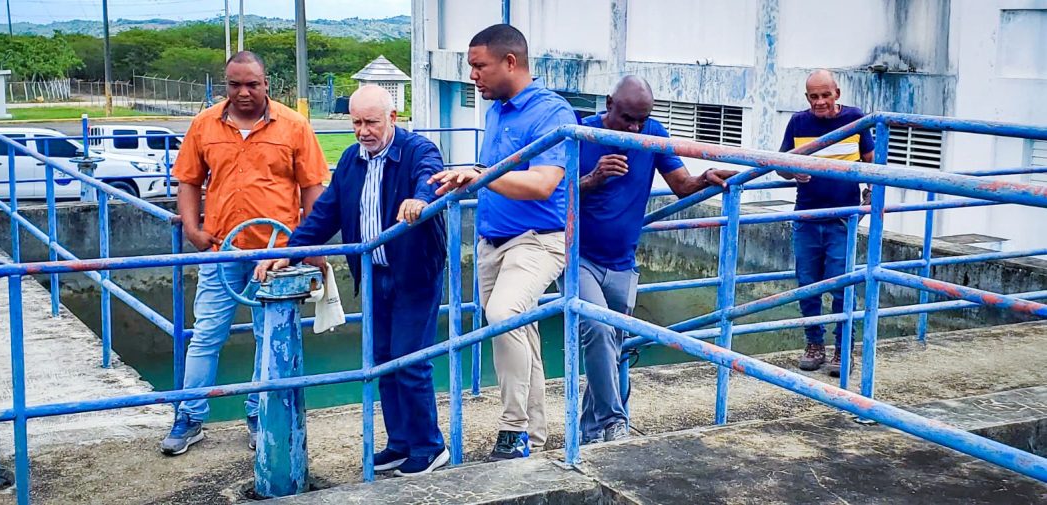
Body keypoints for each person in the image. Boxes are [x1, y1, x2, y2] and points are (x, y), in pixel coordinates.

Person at [254, 85, 450, 476]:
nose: (363, 131)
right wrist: (286, 251)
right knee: (381, 360)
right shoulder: (350, 160)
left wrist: (419, 199)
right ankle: (400, 443)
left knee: (410, 360)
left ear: (393, 119)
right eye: (356, 122)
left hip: (415, 275)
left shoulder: (417, 150)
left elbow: (429, 177)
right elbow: (325, 214)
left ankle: (429, 446)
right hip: (374, 275)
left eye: (371, 122)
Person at [160, 51, 329, 455]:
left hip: (275, 253)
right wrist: (192, 228)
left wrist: (307, 245)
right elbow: (187, 180)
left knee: (266, 336)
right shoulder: (205, 125)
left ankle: (258, 413)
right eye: (235, 85)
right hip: (221, 250)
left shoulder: (293, 126)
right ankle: (189, 416)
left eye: (252, 84)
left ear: (266, 83)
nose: (244, 92)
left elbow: (313, 188)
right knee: (205, 335)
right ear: (225, 85)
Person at [429, 24, 577, 461]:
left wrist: (483, 176)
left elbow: (543, 183)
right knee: (518, 331)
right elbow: (495, 173)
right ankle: (533, 436)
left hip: (538, 240)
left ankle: (513, 427)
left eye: (479, 66)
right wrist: (470, 174)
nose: (472, 75)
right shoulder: (496, 109)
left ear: (510, 62)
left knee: (503, 315)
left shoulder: (553, 112)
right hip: (494, 241)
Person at [576, 76, 737, 444]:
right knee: (598, 331)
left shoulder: (652, 131)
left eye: (641, 120)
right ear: (608, 103)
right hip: (578, 257)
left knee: (612, 347)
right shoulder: (580, 134)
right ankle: (616, 422)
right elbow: (552, 193)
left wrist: (705, 178)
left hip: (622, 261)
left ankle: (589, 433)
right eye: (628, 118)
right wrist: (593, 178)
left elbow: (680, 183)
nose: (634, 128)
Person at [777, 69, 874, 376]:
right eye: (813, 96)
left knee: (842, 285)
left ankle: (842, 349)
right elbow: (781, 166)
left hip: (843, 219)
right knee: (807, 285)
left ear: (837, 94)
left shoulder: (856, 119)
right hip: (805, 216)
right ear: (807, 98)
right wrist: (794, 172)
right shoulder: (798, 122)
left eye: (825, 95)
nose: (819, 102)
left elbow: (873, 161)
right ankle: (813, 344)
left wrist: (872, 192)